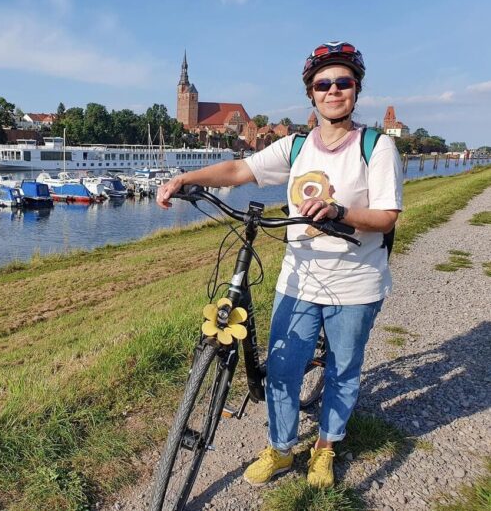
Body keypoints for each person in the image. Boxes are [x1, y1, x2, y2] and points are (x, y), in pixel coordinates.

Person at [156, 41, 403, 489]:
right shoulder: (296, 146)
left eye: (342, 82)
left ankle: (325, 448)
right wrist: (184, 178)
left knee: (342, 370)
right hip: (299, 280)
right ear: (311, 93)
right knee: (284, 369)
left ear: (356, 90)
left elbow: (387, 216)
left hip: (355, 283)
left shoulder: (377, 147)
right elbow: (239, 169)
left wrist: (339, 212)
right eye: (323, 83)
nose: (333, 90)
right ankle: (282, 447)